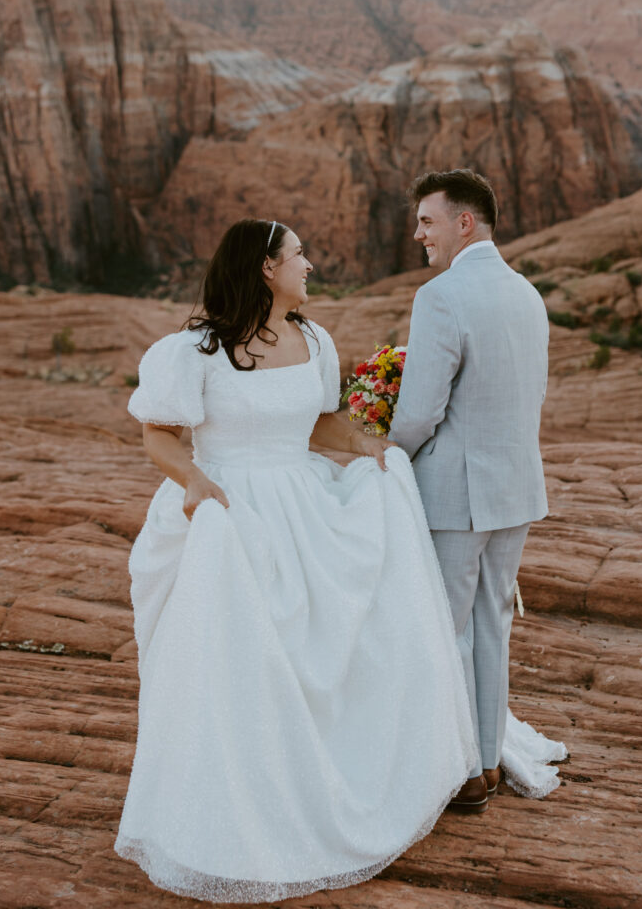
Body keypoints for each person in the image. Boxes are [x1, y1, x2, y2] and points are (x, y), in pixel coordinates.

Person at [114, 218, 479, 904]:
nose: (309, 266)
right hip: (229, 509)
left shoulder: (314, 339)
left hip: (302, 505)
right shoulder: (192, 351)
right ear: (263, 269)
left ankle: (336, 781)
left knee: (329, 650)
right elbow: (158, 434)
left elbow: (317, 424)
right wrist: (193, 482)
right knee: (241, 665)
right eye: (299, 256)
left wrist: (370, 446)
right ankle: (238, 809)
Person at [389, 169, 554, 815]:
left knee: (445, 630)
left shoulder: (441, 296)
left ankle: (457, 769)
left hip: (454, 494)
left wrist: (386, 458)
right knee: (490, 627)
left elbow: (419, 412)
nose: (417, 234)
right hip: (515, 488)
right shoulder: (526, 295)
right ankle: (482, 762)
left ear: (464, 222)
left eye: (426, 221)